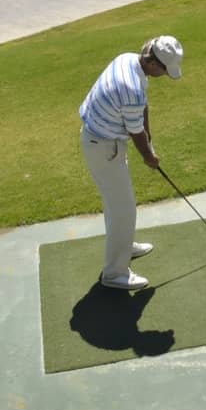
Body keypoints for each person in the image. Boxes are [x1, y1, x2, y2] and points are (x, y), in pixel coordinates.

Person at [78, 34, 183, 290]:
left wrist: (149, 134)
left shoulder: (128, 60)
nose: (164, 76)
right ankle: (114, 274)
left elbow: (142, 110)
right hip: (103, 148)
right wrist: (150, 157)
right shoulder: (130, 88)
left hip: (101, 141)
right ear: (153, 63)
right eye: (164, 71)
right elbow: (135, 133)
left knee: (119, 207)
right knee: (123, 210)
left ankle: (123, 247)